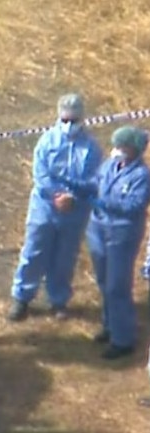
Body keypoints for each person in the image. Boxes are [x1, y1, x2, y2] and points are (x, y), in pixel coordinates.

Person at [8, 93, 103, 321]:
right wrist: (56, 196)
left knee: (65, 257)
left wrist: (73, 198)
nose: (69, 125)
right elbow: (40, 174)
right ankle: (22, 298)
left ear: (82, 119)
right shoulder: (47, 142)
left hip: (74, 211)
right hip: (44, 207)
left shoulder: (91, 147)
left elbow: (95, 178)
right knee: (34, 251)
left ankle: (58, 300)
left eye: (74, 120)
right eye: (65, 120)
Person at [85, 126, 150, 359]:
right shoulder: (110, 165)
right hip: (98, 228)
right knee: (103, 280)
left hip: (122, 233)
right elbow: (96, 182)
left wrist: (105, 203)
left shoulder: (141, 175)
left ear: (134, 149)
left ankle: (123, 339)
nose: (118, 151)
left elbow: (134, 206)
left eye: (123, 147)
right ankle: (109, 324)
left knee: (117, 286)